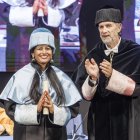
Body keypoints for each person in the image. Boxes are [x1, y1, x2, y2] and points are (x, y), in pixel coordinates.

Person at [0, 27, 82, 140]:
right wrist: (35, 110)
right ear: (33, 53)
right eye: (39, 49)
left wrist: (54, 110)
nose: (44, 52)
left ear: (52, 52)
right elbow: (10, 108)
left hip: (55, 134)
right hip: (26, 135)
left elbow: (73, 109)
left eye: (48, 48)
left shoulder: (61, 77)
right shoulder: (21, 75)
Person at [73, 6, 140, 140]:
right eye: (101, 27)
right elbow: (85, 94)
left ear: (119, 27)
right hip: (100, 118)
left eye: (108, 26)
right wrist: (92, 78)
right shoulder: (93, 55)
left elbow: (138, 89)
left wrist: (112, 75)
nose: (104, 30)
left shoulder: (135, 53)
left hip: (128, 116)